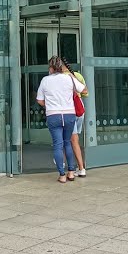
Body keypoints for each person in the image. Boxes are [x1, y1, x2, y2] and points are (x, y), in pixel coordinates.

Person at [36, 56, 85, 184]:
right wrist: (72, 77)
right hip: (69, 115)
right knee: (67, 142)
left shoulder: (45, 80)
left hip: (53, 115)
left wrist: (49, 105)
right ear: (61, 67)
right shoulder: (69, 78)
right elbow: (83, 89)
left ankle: (62, 175)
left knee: (58, 144)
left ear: (51, 67)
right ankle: (71, 172)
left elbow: (39, 100)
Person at [69, 68, 89, 177]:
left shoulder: (62, 77)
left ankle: (79, 168)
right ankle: (79, 167)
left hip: (70, 108)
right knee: (75, 139)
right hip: (79, 107)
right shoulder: (77, 75)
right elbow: (85, 93)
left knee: (72, 140)